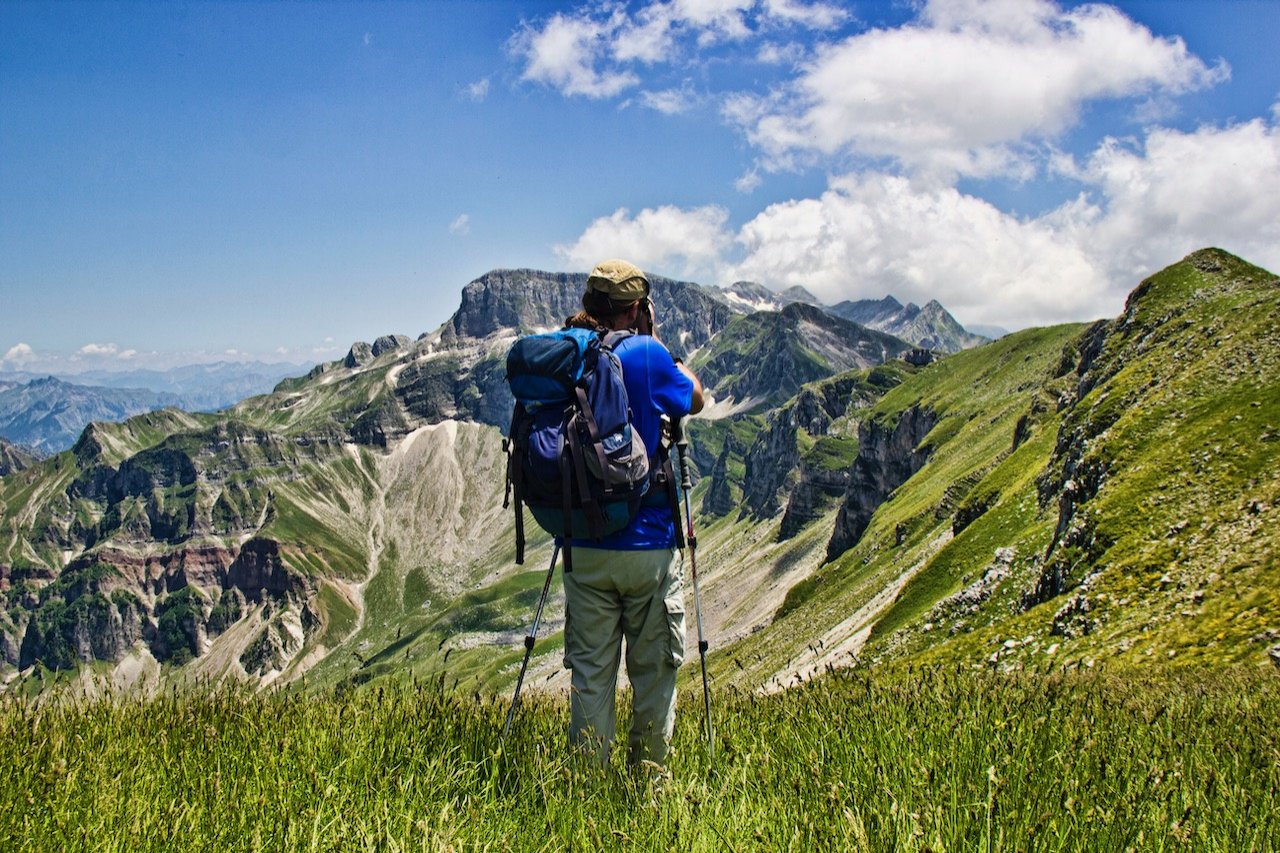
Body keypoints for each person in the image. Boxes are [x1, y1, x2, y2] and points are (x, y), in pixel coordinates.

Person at [560, 258, 704, 768]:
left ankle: (588, 792)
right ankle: (649, 792)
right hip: (648, 546)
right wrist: (656, 339)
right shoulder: (649, 354)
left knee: (591, 678)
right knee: (655, 675)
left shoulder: (568, 354)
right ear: (637, 309)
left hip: (585, 547)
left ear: (590, 306)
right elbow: (696, 398)